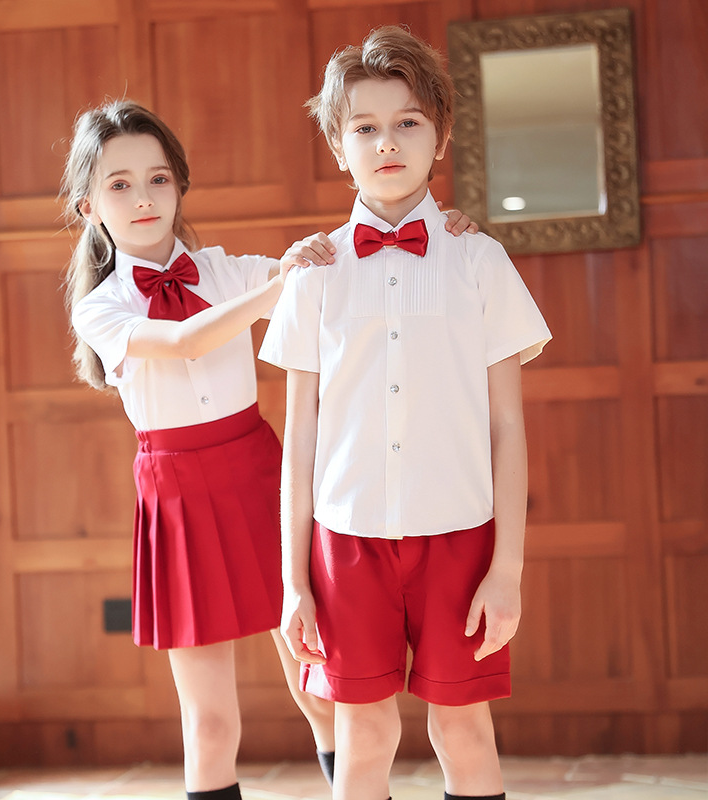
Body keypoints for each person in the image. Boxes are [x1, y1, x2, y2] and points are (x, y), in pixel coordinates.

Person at [61, 99, 475, 799]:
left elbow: (338, 266)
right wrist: (275, 288)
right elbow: (184, 342)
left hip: (264, 479)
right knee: (213, 724)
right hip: (178, 496)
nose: (142, 198)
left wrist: (443, 232)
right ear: (87, 205)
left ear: (180, 185)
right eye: (119, 184)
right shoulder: (100, 304)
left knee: (321, 696)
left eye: (157, 179)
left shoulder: (226, 272)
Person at [259, 26, 552, 800]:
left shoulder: (478, 260)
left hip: (461, 537)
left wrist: (508, 570)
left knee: (464, 730)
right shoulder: (313, 277)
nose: (386, 142)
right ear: (337, 144)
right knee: (363, 734)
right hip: (345, 541)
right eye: (364, 127)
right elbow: (301, 440)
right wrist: (294, 580)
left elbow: (509, 429)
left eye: (407, 122)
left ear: (442, 135)